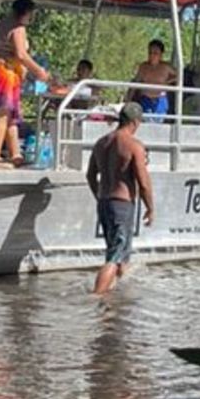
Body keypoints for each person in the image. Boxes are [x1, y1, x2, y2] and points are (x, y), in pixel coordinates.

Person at [85, 102, 154, 295]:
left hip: (105, 203)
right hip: (122, 204)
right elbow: (143, 182)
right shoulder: (134, 146)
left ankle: (120, 297)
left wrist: (99, 196)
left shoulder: (101, 142)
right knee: (114, 258)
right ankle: (97, 298)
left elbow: (90, 176)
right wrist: (150, 208)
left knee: (119, 253)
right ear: (135, 122)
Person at [0, 0, 50, 166]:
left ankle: (15, 154)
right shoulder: (18, 27)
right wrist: (39, 71)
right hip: (4, 71)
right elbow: (21, 54)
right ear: (26, 12)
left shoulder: (2, 24)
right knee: (4, 114)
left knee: (11, 116)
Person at [128, 40, 178, 119]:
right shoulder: (143, 67)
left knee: (158, 124)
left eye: (155, 53)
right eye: (150, 53)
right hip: (146, 99)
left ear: (161, 54)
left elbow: (179, 76)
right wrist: (128, 100)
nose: (152, 56)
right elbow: (135, 82)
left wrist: (167, 82)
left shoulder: (166, 67)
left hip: (160, 100)